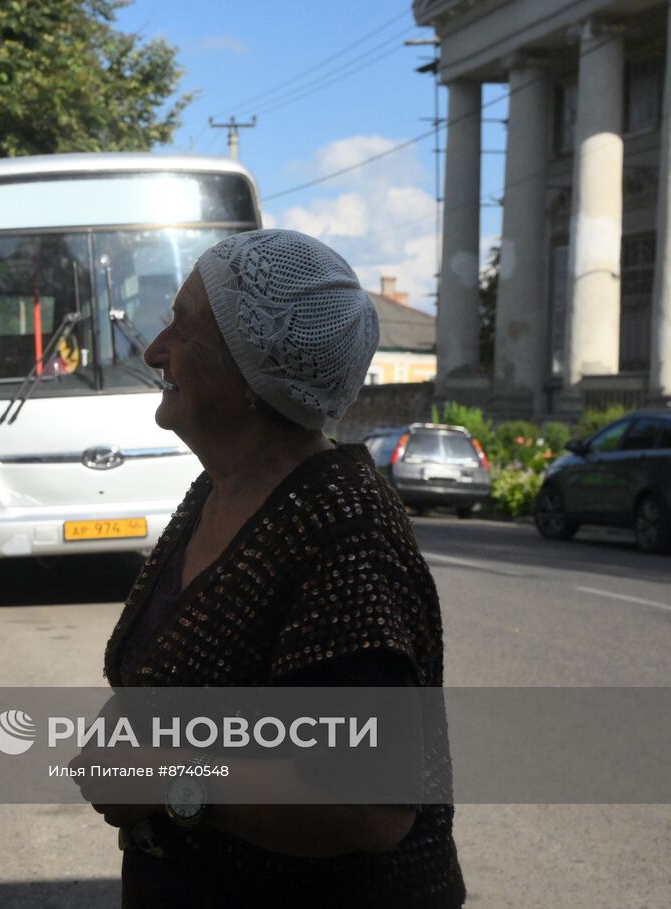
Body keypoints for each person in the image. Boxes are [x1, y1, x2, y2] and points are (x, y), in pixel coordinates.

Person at [96, 229, 465, 907]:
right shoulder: (220, 489)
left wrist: (169, 781)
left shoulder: (342, 527)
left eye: (183, 324)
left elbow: (373, 802)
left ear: (247, 369)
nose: (154, 349)